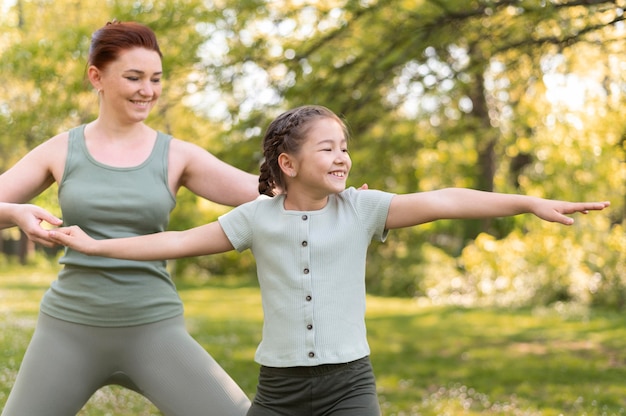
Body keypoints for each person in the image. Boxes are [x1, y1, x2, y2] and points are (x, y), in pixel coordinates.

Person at [48, 105, 611, 416]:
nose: (341, 156)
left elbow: (445, 201)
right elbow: (173, 241)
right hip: (280, 390)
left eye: (344, 146)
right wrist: (97, 245)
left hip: (349, 385)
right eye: (327, 148)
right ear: (287, 164)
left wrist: (528, 202)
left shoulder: (362, 208)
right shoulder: (256, 217)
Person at [0, 21, 259, 416]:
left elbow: (266, 191)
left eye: (156, 79)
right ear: (96, 77)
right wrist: (15, 211)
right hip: (68, 331)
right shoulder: (60, 150)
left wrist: (338, 192)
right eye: (134, 77)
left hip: (155, 331)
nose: (148, 90)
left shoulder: (177, 156)